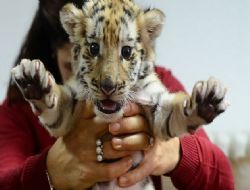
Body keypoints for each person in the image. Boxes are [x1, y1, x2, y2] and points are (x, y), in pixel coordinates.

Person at [0, 0, 234, 189]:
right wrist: (51, 170)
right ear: (56, 50)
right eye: (92, 51)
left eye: (126, 51)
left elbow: (222, 181)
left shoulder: (153, 79)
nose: (108, 82)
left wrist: (172, 150)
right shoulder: (18, 108)